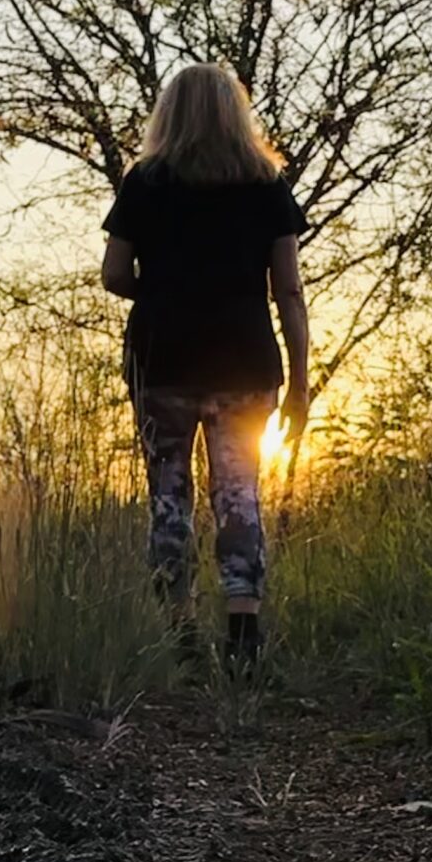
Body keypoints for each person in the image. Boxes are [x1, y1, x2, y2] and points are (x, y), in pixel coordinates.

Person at [101, 61, 310, 667]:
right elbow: (290, 293)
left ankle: (180, 630)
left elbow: (114, 274)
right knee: (239, 493)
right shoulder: (266, 184)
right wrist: (300, 382)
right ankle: (243, 630)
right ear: (235, 113)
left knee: (169, 494)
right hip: (246, 363)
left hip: (162, 360)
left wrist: (167, 291)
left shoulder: (146, 182)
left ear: (170, 114)